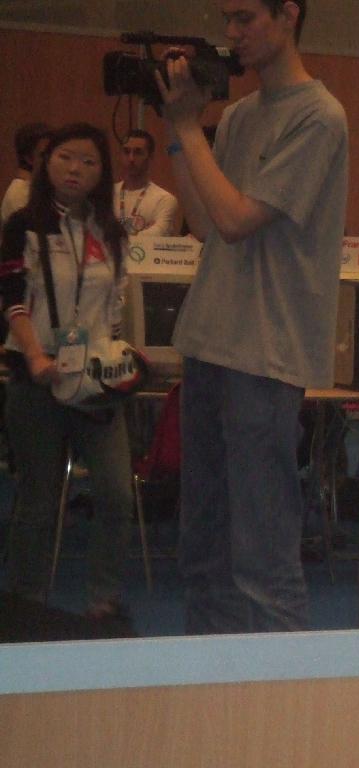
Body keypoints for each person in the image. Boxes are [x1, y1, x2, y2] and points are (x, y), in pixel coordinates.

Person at [157, 0, 348, 633]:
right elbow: (206, 221)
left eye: (245, 18)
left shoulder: (320, 117)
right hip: (209, 342)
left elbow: (239, 220)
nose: (232, 35)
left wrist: (189, 129)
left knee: (262, 561)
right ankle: (208, 683)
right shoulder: (239, 115)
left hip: (265, 356)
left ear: (288, 14)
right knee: (203, 553)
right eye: (226, 21)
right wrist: (179, 130)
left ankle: (279, 690)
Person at [0, 122, 133, 620]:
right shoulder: (23, 226)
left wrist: (120, 357)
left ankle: (103, 601)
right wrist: (36, 356)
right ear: (46, 163)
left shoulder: (111, 232)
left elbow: (114, 307)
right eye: (66, 158)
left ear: (102, 173)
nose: (76, 169)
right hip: (37, 376)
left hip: (96, 381)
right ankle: (25, 603)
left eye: (89, 162)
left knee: (117, 493)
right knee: (38, 500)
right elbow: (12, 298)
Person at [113, 129, 180, 236]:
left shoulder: (164, 199)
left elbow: (158, 233)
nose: (131, 158)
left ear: (150, 157)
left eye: (138, 152)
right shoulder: (107, 194)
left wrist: (114, 235)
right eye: (126, 152)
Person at [1, 122, 52, 231]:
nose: (51, 160)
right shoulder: (21, 195)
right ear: (28, 158)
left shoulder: (34, 189)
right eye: (44, 155)